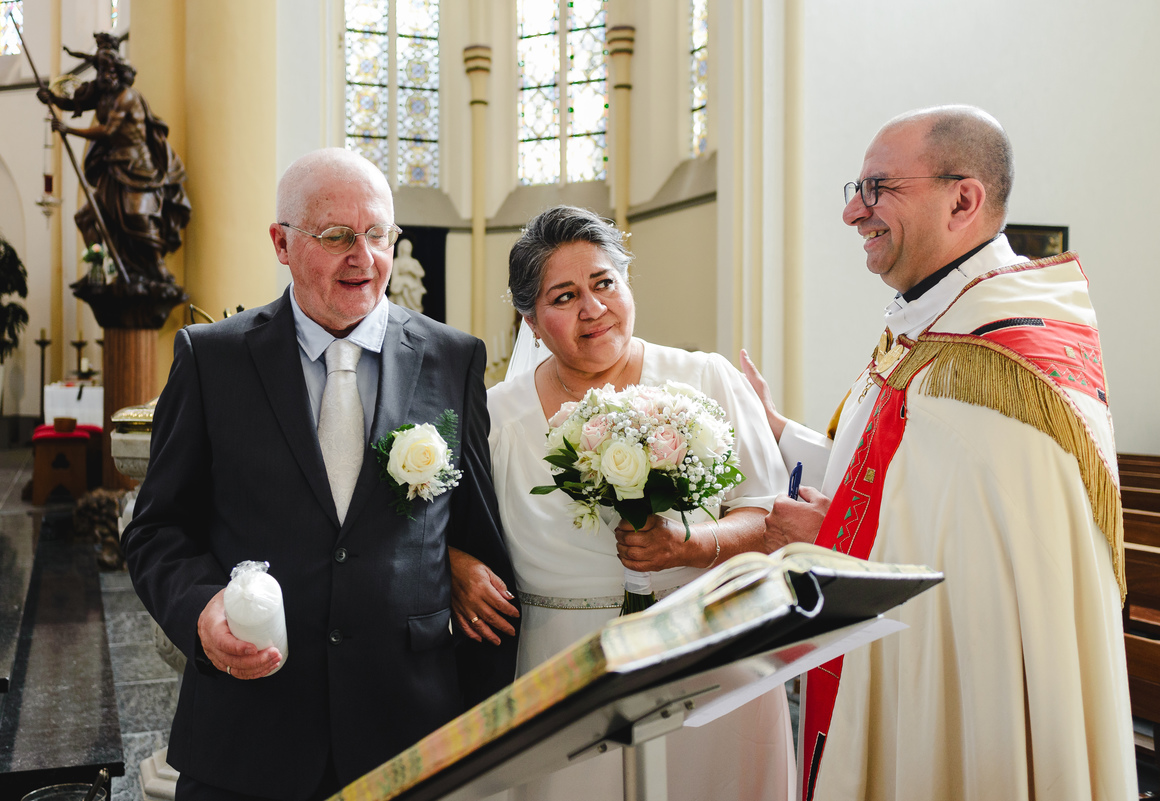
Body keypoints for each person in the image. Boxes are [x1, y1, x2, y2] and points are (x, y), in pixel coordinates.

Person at [740, 105, 1137, 800]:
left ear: (963, 199)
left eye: (877, 189)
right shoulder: (930, 328)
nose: (852, 214)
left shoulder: (1007, 361)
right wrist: (781, 432)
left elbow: (989, 590)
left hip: (963, 702)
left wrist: (830, 540)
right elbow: (891, 474)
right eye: (855, 190)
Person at [122, 148, 517, 800]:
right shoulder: (211, 360)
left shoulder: (454, 360)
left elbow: (475, 530)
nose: (363, 257)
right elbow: (156, 529)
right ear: (281, 242)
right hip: (249, 731)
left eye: (378, 235)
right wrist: (201, 609)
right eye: (336, 236)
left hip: (410, 728)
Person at [449, 205, 796, 801]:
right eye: (564, 296)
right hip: (565, 670)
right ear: (531, 321)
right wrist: (456, 565)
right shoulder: (496, 418)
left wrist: (691, 544)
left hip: (706, 654)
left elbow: (767, 515)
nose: (593, 308)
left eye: (604, 283)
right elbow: (453, 524)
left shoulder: (706, 379)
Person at [37, 37, 190, 285]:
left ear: (119, 71)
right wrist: (51, 99)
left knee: (138, 217)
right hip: (113, 168)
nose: (104, 75)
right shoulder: (102, 93)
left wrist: (69, 129)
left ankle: (157, 271)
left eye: (109, 69)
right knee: (86, 218)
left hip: (137, 166)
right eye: (100, 69)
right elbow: (75, 102)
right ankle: (97, 271)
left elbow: (109, 131)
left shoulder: (127, 96)